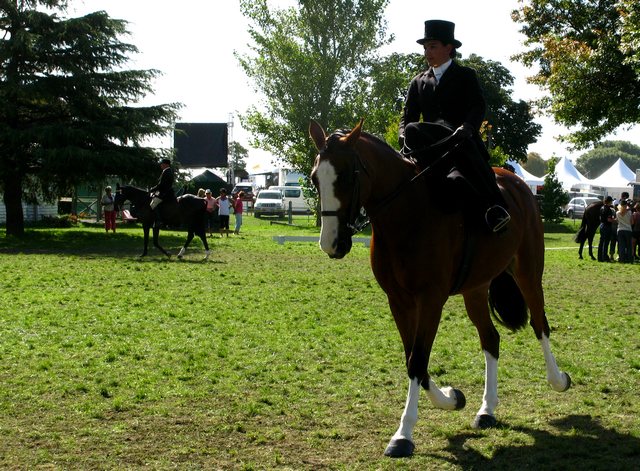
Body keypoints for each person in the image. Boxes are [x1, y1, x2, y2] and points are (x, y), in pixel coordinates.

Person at [398, 19, 510, 233]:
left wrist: (468, 127)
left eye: (433, 47)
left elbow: (478, 105)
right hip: (431, 151)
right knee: (411, 130)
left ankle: (496, 209)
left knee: (461, 174)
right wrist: (402, 134)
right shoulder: (418, 81)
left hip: (459, 142)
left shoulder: (466, 75)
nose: (427, 53)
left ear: (449, 48)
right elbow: (407, 116)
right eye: (425, 48)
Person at [149, 158, 176, 227]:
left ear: (166, 164)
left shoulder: (166, 172)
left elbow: (161, 185)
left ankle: (159, 221)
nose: (161, 165)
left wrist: (152, 189)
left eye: (162, 164)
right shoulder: (168, 171)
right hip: (165, 192)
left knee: (152, 204)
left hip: (165, 193)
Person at [597, 196, 616, 262]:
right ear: (610, 201)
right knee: (606, 242)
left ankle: (599, 257)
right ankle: (605, 257)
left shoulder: (602, 208)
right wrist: (614, 220)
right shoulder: (609, 209)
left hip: (602, 225)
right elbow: (609, 219)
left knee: (601, 242)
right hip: (607, 226)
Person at [615, 199, 633, 263]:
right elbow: (632, 222)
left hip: (620, 230)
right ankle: (629, 259)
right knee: (629, 246)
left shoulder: (617, 213)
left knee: (621, 245)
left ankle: (621, 259)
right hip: (628, 230)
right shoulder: (629, 212)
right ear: (626, 205)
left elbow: (617, 221)